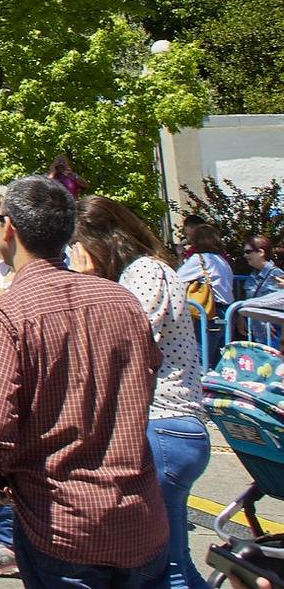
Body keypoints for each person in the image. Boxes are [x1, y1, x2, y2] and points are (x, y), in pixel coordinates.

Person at [0, 177, 170, 589]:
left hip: (61, 525)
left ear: (8, 230)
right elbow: (146, 381)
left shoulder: (7, 314)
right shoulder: (122, 300)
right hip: (138, 517)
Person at [73, 194, 210, 589]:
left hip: (164, 424)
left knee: (156, 569)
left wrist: (87, 284)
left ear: (105, 238)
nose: (75, 257)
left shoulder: (147, 271)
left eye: (79, 246)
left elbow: (123, 342)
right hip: (162, 428)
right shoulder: (131, 276)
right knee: (172, 563)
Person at [180, 218, 234, 315]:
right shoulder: (222, 260)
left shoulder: (199, 259)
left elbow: (177, 279)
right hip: (227, 310)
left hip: (209, 310)